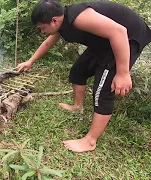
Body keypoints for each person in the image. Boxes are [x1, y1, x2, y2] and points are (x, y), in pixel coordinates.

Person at [17, 0, 151, 153]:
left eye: (42, 28)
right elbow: (48, 43)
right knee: (78, 71)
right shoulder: (62, 24)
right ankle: (77, 106)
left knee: (103, 90)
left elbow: (118, 31)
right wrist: (30, 61)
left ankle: (90, 141)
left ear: (54, 20)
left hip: (127, 38)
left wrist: (123, 73)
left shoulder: (79, 17)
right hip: (104, 42)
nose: (42, 32)